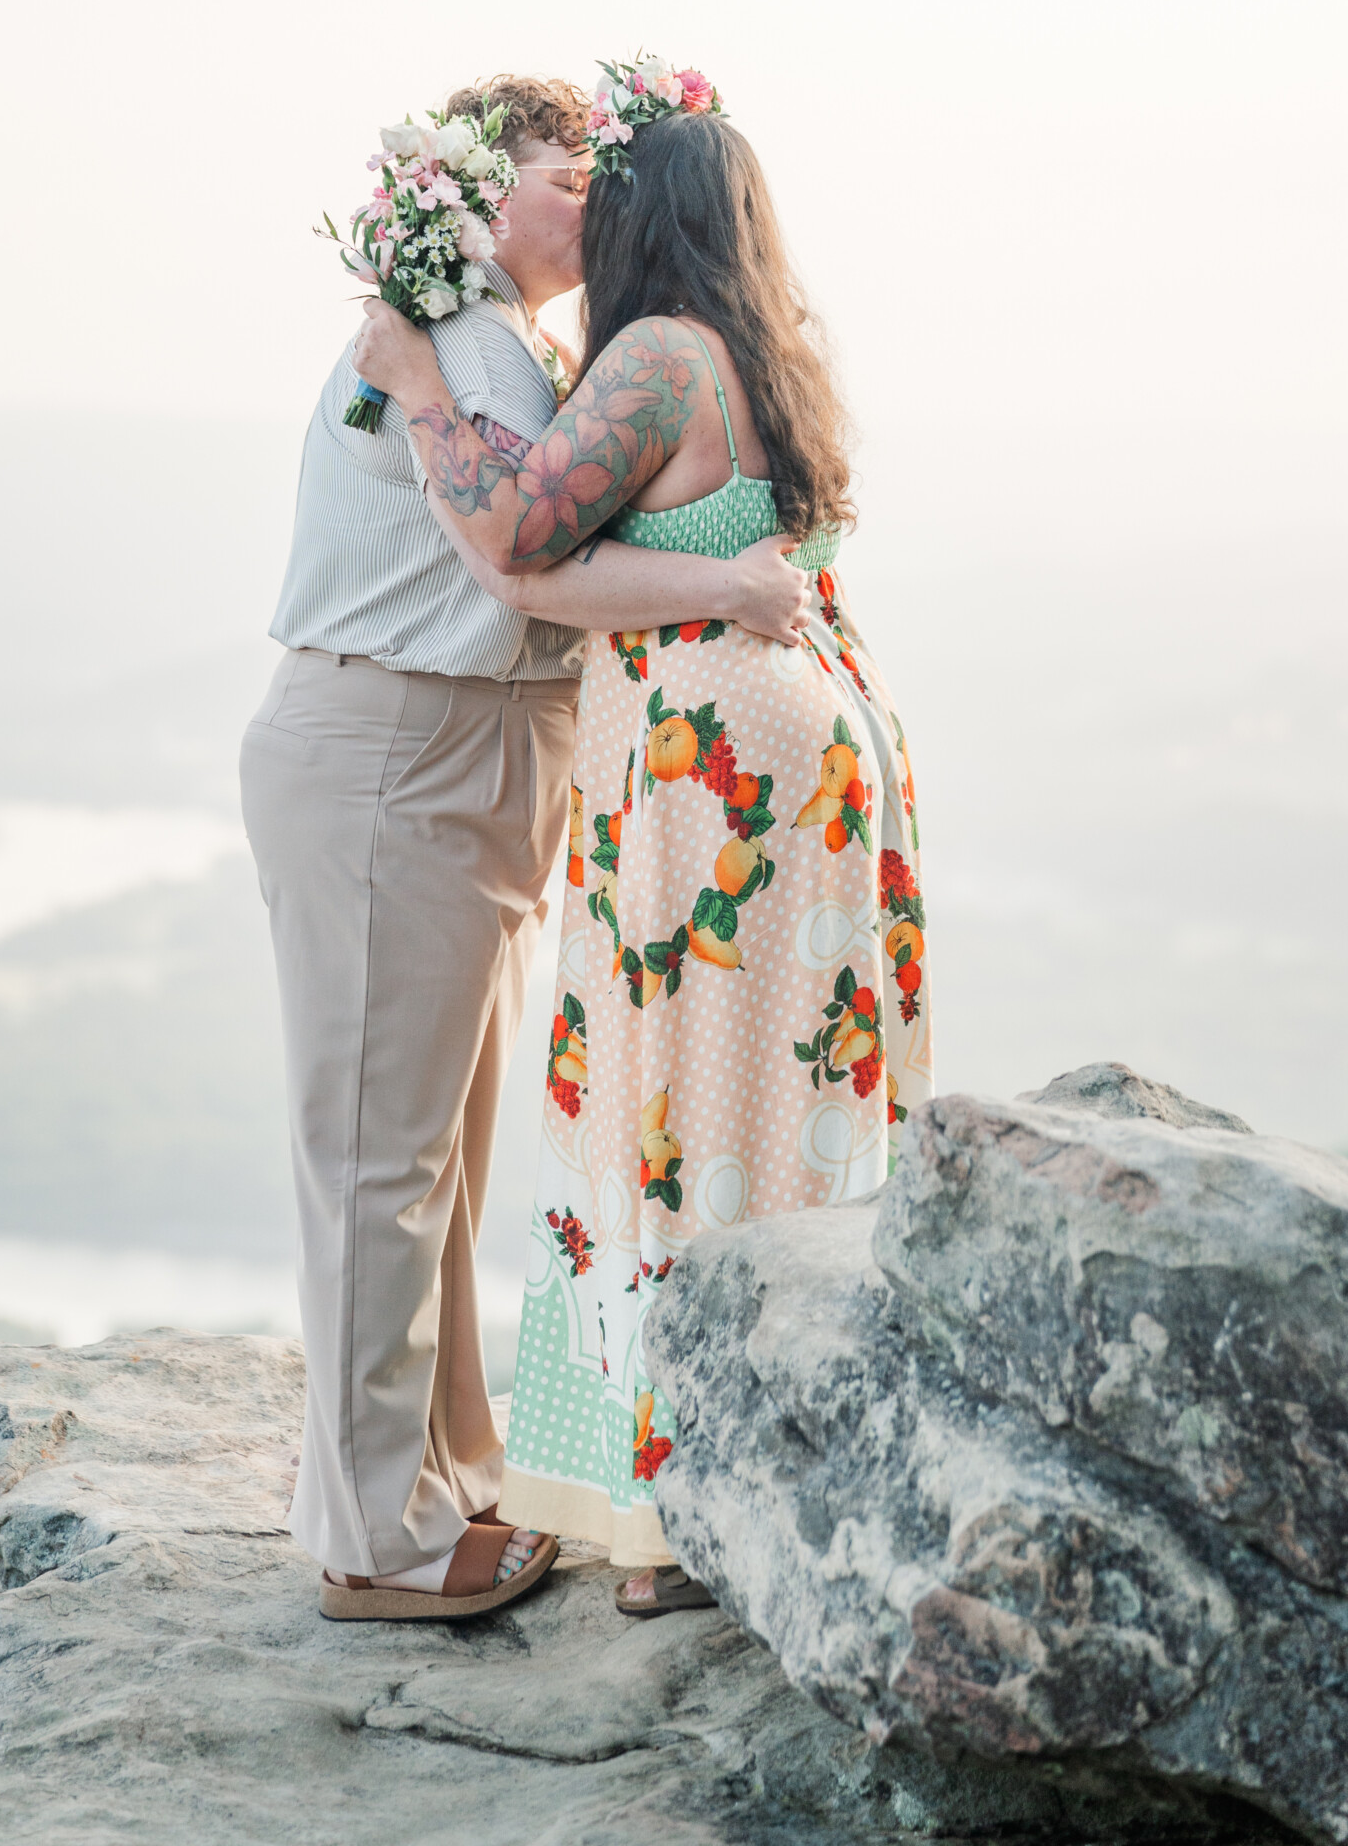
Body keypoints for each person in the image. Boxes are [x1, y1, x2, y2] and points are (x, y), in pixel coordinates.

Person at [239, 73, 815, 1624]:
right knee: (382, 1150)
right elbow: (521, 562)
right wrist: (728, 594)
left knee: (439, 1144)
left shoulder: (509, 343)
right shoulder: (468, 344)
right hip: (397, 750)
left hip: (451, 758)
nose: (597, 198)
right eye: (569, 175)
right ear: (483, 193)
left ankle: (447, 1474)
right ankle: (379, 1539)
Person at [350, 94, 935, 1614]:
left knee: (675, 1113)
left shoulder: (662, 355)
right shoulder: (768, 350)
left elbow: (522, 528)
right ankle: (762, 1470)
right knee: (774, 1100)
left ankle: (679, 1513)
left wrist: (421, 382)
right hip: (803, 740)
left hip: (712, 768)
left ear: (637, 223)